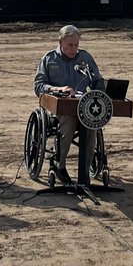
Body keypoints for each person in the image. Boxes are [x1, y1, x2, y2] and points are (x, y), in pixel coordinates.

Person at [33, 25, 105, 184]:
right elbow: (38, 86)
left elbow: (98, 81)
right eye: (69, 45)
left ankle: (85, 171)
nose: (73, 49)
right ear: (60, 42)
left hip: (85, 107)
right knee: (68, 122)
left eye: (76, 45)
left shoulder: (85, 58)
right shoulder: (49, 59)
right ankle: (60, 165)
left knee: (93, 124)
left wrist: (100, 90)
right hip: (60, 108)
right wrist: (58, 89)